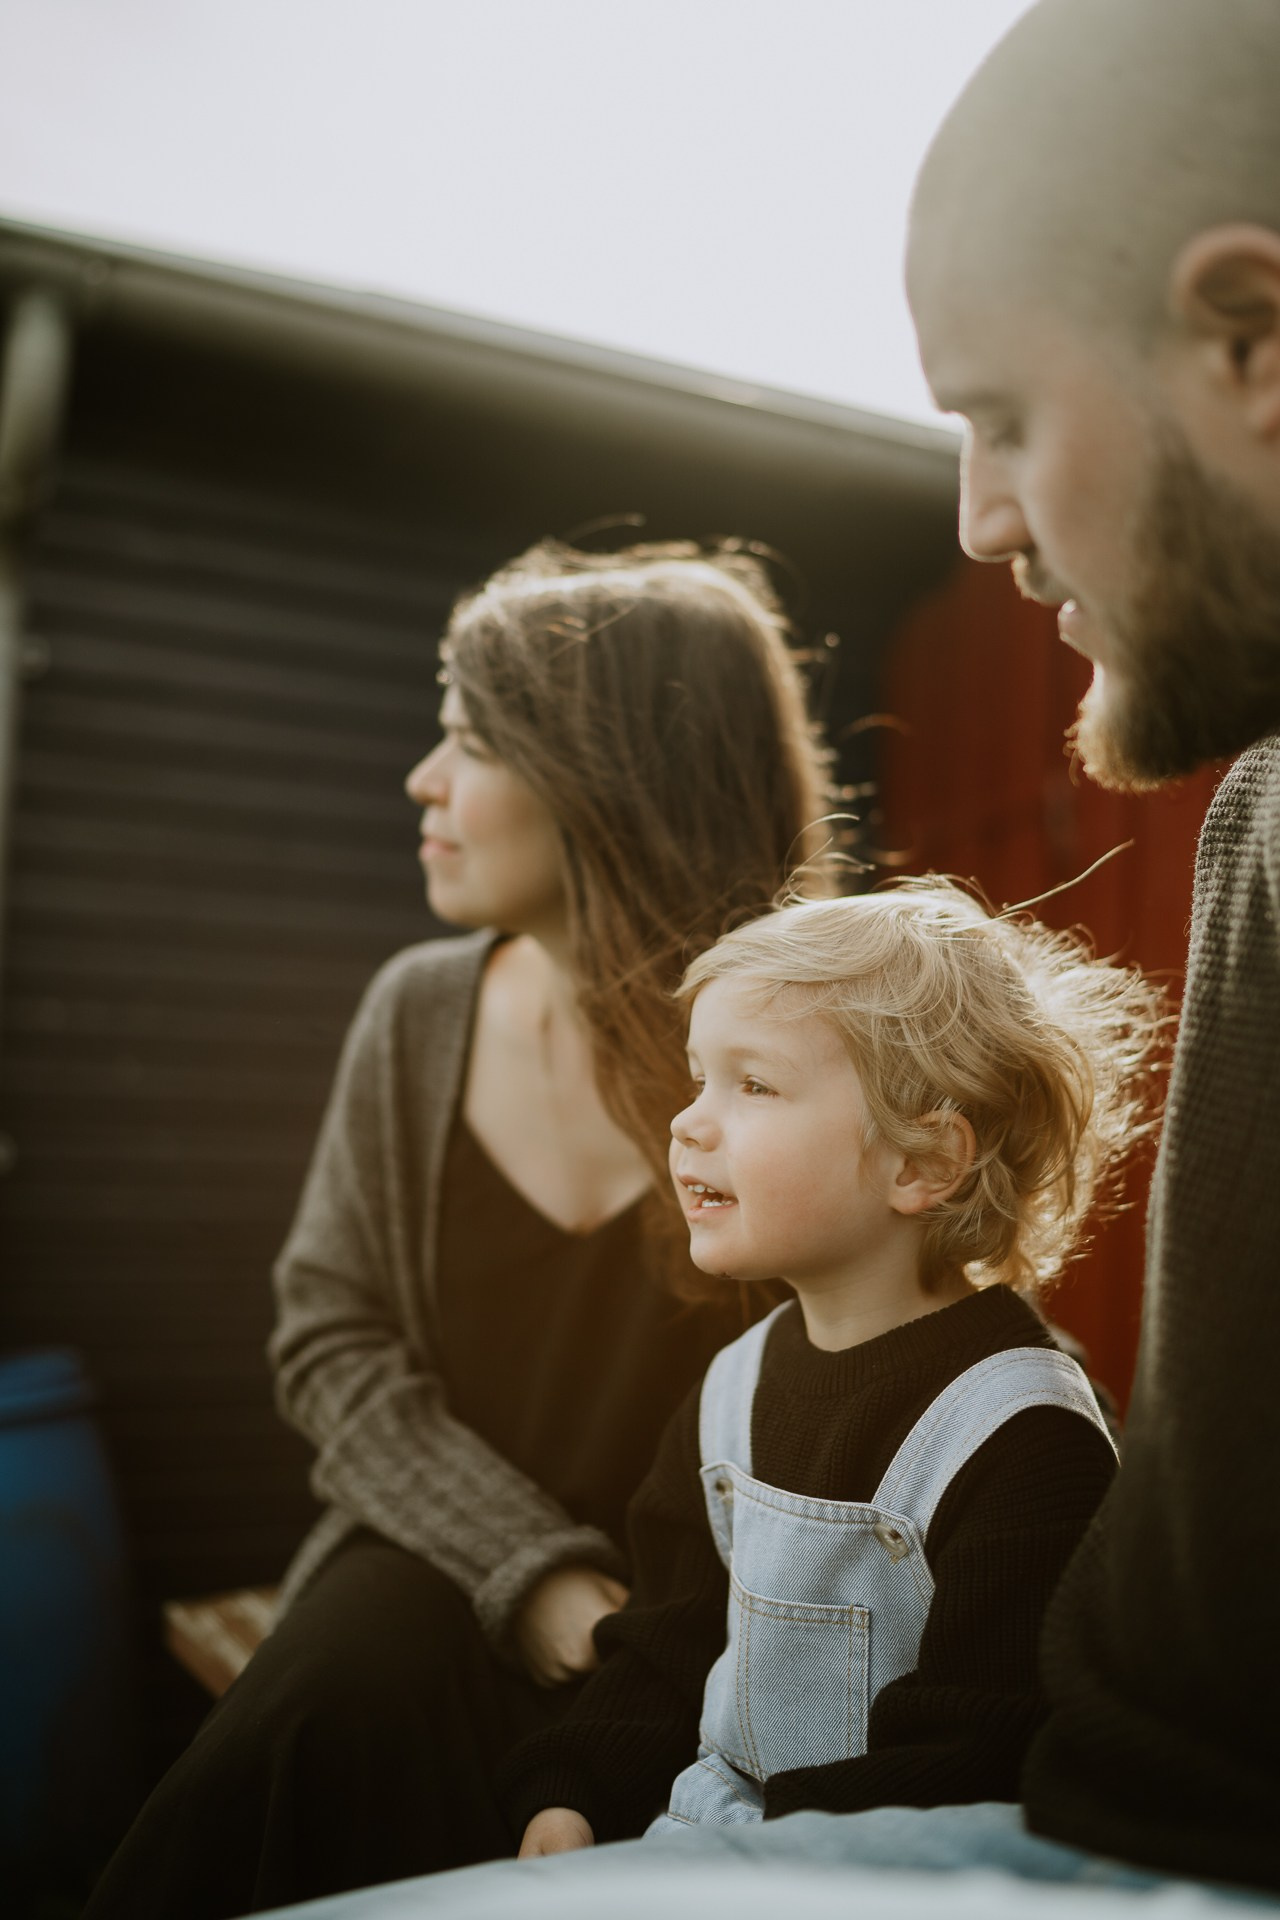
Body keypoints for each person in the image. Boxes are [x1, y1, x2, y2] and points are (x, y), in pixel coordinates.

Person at [273, 1, 1280, 1912]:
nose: (976, 519)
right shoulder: (1264, 818)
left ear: (1251, 339)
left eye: (1001, 417)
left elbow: (1095, 1750)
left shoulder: (997, 1418)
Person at [83, 538, 837, 1918]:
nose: (424, 784)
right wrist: (533, 1574)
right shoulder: (417, 1014)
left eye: (469, 742)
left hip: (712, 1627)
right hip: (430, 1563)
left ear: (607, 779)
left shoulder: (816, 1055)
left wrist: (647, 1637)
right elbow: (330, 1340)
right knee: (278, 1759)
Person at [507, 883, 1152, 1854]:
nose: (688, 1122)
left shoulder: (1023, 1439)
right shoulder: (730, 1393)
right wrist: (573, 1796)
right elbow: (663, 1652)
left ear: (920, 1163)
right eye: (697, 1079)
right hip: (697, 1842)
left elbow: (978, 1757)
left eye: (752, 1085)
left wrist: (746, 1853)